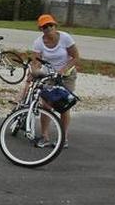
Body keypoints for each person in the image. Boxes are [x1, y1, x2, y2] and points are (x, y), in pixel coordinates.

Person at [30, 13, 79, 148]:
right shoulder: (39, 42)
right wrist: (34, 72)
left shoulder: (65, 38)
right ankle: (45, 136)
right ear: (41, 29)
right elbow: (36, 61)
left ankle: (63, 138)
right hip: (49, 75)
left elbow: (75, 57)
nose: (48, 28)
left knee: (63, 106)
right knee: (46, 105)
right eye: (45, 27)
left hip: (66, 75)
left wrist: (63, 70)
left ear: (55, 26)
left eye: (50, 25)